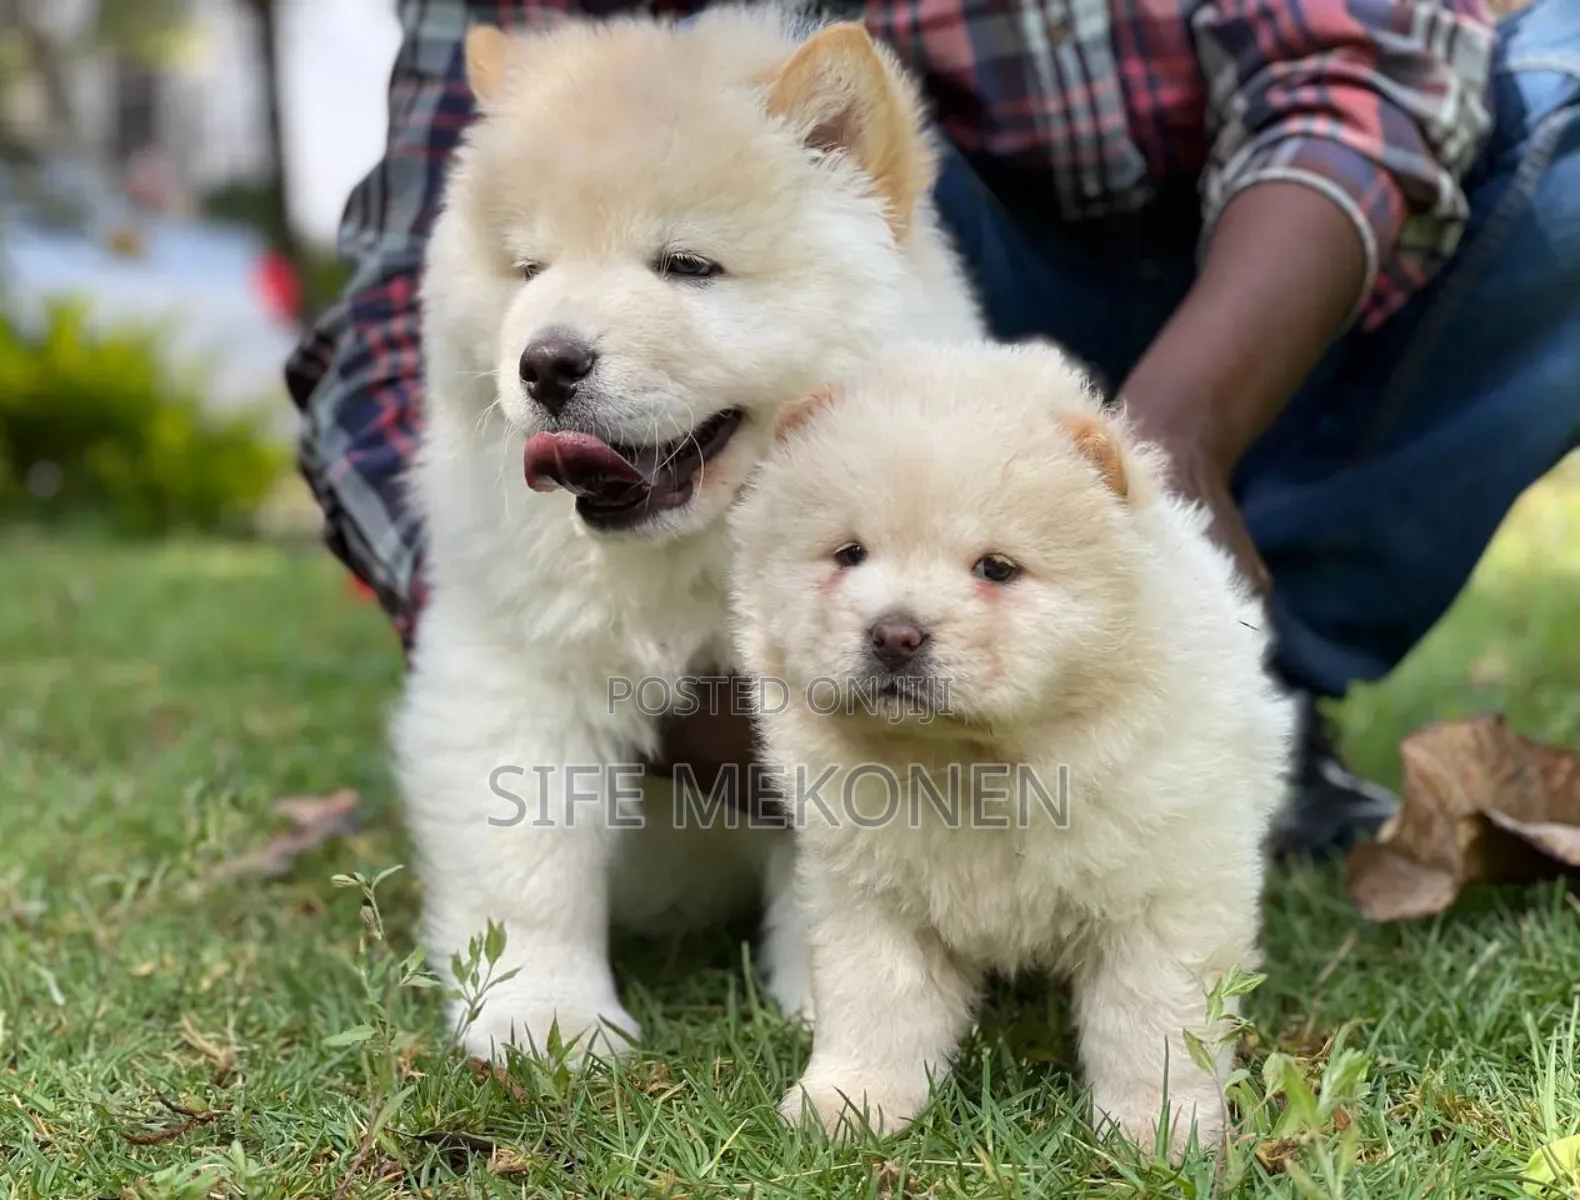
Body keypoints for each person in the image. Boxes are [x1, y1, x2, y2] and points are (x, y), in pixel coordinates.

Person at [286, 0, 1580, 857]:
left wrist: (1175, 435)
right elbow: (412, 315)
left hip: (1253, 283)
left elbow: (1348, 71)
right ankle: (949, 723)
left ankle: (1233, 696)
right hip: (866, 294)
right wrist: (629, 684)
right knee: (780, 167)